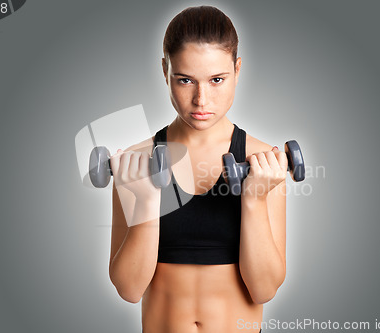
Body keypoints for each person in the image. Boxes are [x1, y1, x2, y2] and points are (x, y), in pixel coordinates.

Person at [109, 6, 287, 333]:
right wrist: (149, 201)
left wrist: (254, 200)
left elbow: (264, 290)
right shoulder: (136, 164)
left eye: (217, 80)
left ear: (237, 69)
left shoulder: (265, 162)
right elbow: (129, 290)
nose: (201, 99)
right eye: (185, 80)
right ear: (165, 71)